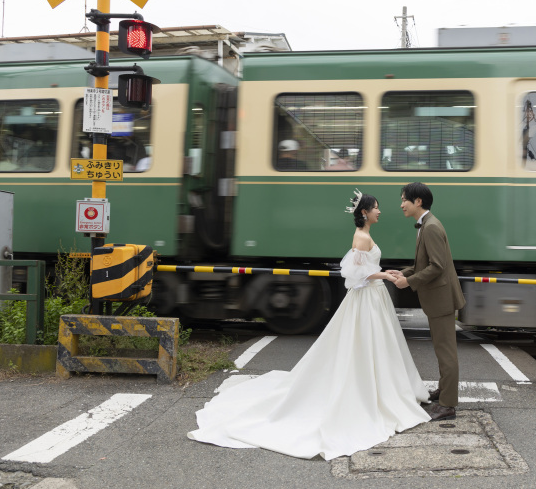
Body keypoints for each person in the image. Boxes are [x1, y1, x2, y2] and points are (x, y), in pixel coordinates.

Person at [187, 190, 431, 460]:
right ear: (364, 213)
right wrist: (384, 274)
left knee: (370, 343)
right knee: (366, 343)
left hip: (373, 297)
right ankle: (373, 389)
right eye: (376, 208)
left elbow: (362, 270)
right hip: (368, 297)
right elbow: (355, 274)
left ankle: (377, 386)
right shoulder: (361, 238)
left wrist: (385, 272)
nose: (379, 211)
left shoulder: (365, 236)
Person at [387, 182, 466, 422]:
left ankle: (448, 405)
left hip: (441, 299)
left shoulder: (430, 227)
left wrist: (409, 283)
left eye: (404, 200)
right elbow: (425, 264)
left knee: (446, 352)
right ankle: (444, 391)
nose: (401, 204)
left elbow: (437, 267)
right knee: (443, 349)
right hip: (439, 298)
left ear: (418, 201)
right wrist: (405, 273)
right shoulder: (428, 224)